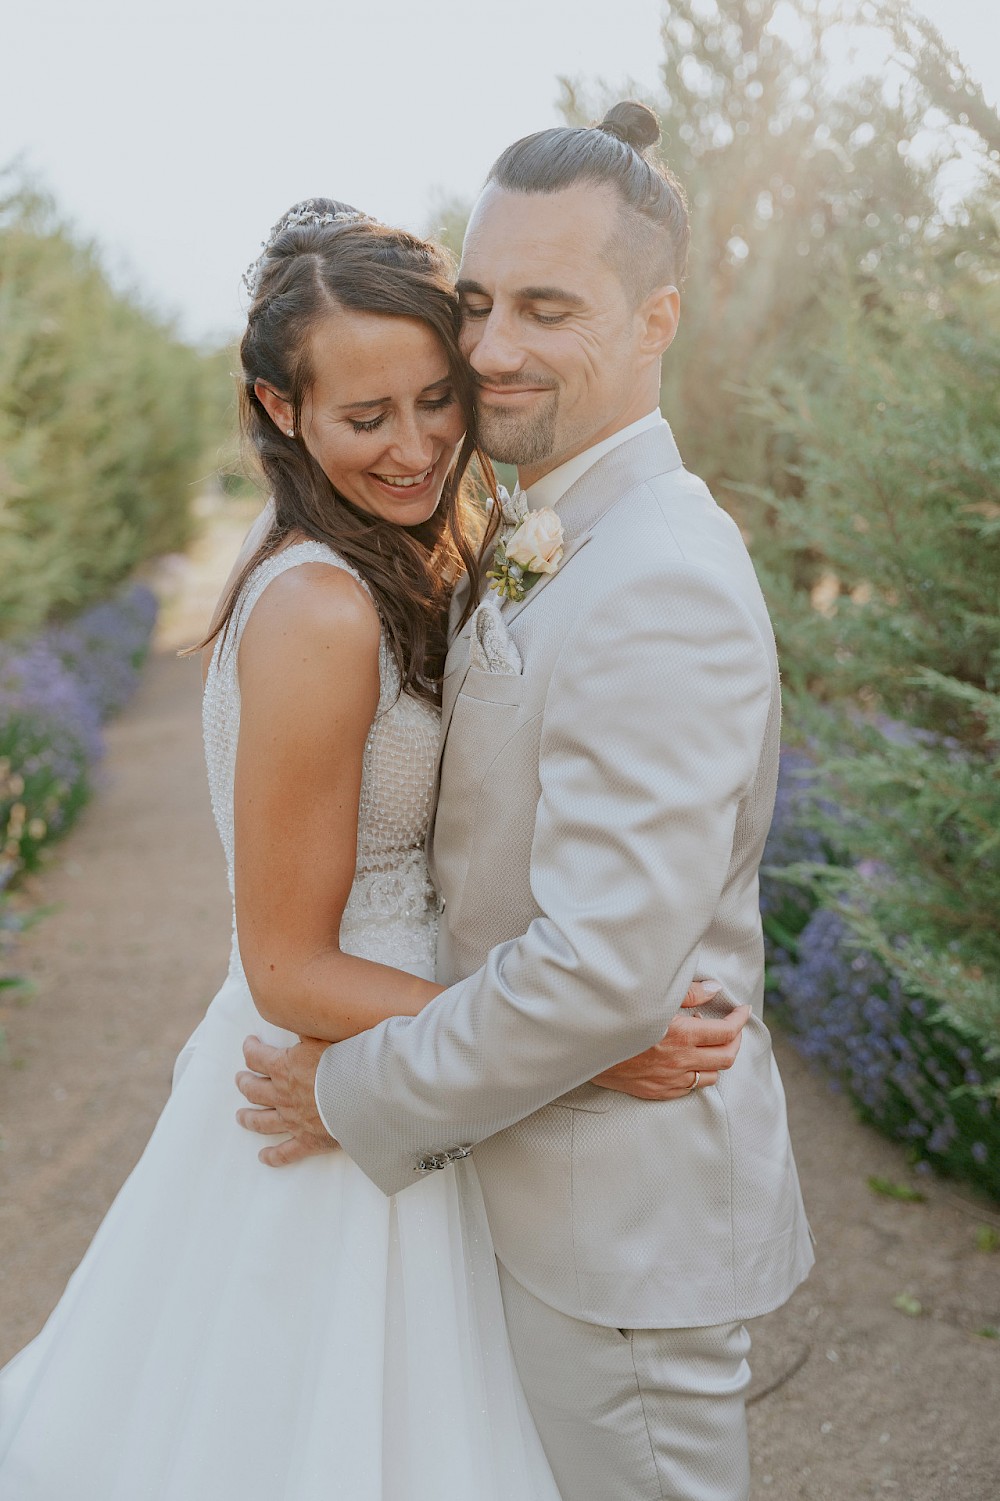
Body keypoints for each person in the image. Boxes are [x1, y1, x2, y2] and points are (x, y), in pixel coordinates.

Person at [0, 196, 734, 1500]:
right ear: (280, 409)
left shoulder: (385, 553)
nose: (417, 446)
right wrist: (591, 1041)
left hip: (415, 1069)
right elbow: (285, 965)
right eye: (365, 416)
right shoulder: (322, 607)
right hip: (336, 1076)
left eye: (436, 398)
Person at [237, 105, 815, 1501]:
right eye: (480, 300)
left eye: (547, 307)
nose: (487, 349)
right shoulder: (547, 523)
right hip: (522, 1177)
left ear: (656, 316)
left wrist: (347, 1089)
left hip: (615, 1228)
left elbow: (603, 978)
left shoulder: (659, 575)